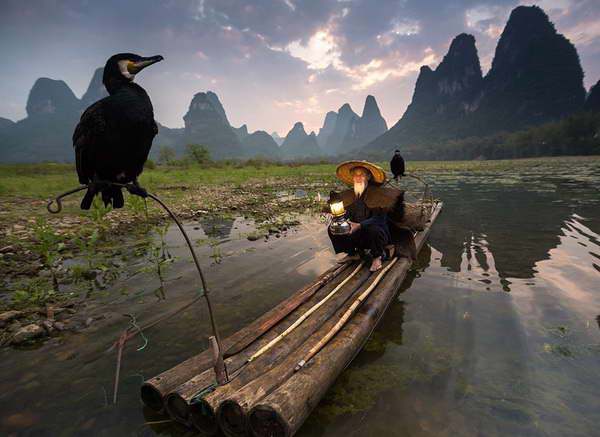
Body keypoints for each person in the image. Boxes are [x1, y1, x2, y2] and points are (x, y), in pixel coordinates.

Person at [328, 161, 399, 272]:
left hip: (376, 234)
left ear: (368, 176)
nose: (358, 177)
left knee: (373, 229)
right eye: (355, 175)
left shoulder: (378, 194)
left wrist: (360, 225)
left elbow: (380, 218)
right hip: (358, 233)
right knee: (334, 228)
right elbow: (347, 212)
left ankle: (377, 257)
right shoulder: (352, 195)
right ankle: (353, 253)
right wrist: (338, 217)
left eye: (362, 174)